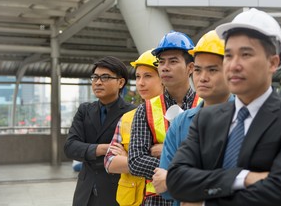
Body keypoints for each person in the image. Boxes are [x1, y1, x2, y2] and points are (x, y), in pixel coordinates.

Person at [166, 8, 281, 206]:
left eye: (246, 54)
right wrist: (244, 178)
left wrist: (203, 201)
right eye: (228, 56)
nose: (234, 65)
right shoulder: (206, 119)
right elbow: (177, 180)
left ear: (273, 62)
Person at [152, 30, 234, 206]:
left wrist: (179, 181)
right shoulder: (181, 123)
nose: (202, 78)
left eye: (212, 70)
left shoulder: (249, 119)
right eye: (198, 70)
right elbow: (163, 187)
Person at [128, 31, 200, 206]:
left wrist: (166, 155)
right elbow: (136, 161)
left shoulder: (206, 105)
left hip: (195, 198)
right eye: (161, 62)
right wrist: (188, 167)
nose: (165, 67)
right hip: (157, 200)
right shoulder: (145, 109)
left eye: (173, 61)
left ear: (190, 68)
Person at [64, 56, 136, 206]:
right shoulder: (84, 110)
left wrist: (87, 149)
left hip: (116, 191)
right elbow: (70, 147)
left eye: (105, 77)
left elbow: (134, 153)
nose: (97, 82)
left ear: (120, 82)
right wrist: (102, 149)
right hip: (85, 192)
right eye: (95, 77)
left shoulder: (133, 113)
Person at [104, 49, 164, 206]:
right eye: (138, 77)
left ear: (163, 78)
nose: (140, 83)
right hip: (134, 201)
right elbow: (109, 162)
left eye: (148, 76)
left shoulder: (176, 114)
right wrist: (135, 160)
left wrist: (128, 158)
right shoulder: (127, 118)